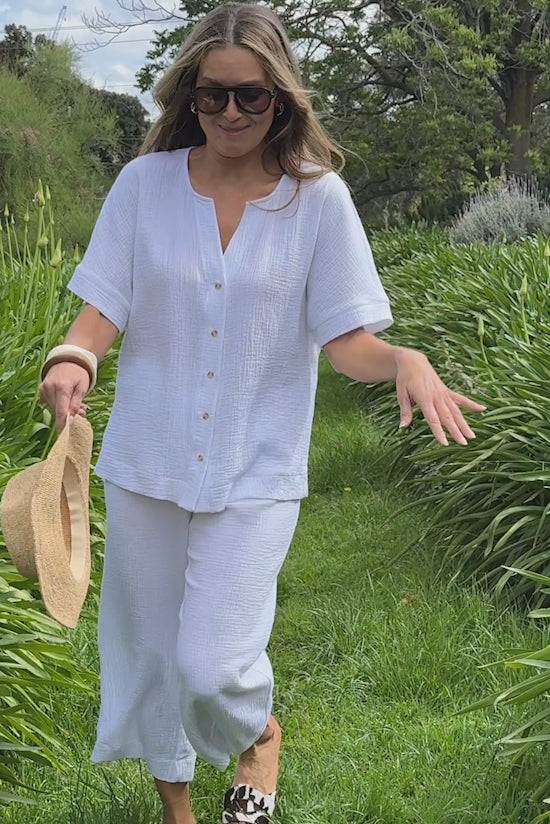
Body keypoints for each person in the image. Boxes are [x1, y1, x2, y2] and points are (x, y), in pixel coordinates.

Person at [39, 4, 486, 823]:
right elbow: (101, 310)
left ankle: (259, 735)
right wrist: (73, 358)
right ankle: (178, 812)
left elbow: (345, 342)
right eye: (213, 95)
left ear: (281, 99)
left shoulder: (318, 202)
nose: (231, 112)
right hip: (147, 461)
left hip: (258, 467)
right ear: (190, 97)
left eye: (251, 96)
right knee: (150, 656)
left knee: (211, 666)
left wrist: (403, 360)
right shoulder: (143, 187)